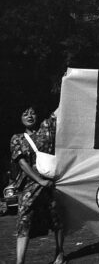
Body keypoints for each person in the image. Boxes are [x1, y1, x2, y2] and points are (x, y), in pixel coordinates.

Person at [10, 105, 66, 264]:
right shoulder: (17, 138)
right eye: (25, 113)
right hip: (29, 185)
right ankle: (20, 261)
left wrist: (67, 80)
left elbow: (60, 109)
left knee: (57, 218)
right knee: (24, 221)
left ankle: (60, 253)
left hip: (51, 182)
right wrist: (40, 180)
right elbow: (21, 163)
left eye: (33, 113)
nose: (29, 116)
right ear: (20, 118)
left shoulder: (46, 130)